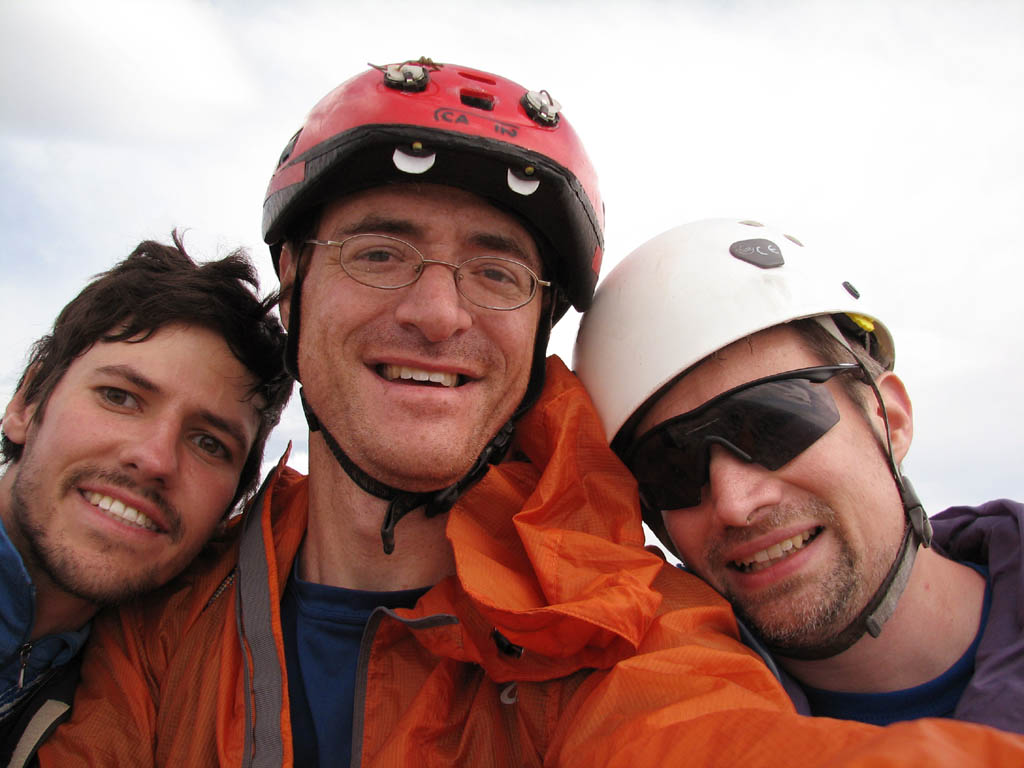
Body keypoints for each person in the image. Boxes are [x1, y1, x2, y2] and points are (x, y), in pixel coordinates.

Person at [41, 63, 1024, 767]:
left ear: (540, 331)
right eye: (379, 251)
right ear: (292, 284)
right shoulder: (168, 618)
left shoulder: (618, 626)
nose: (436, 311)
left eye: (496, 272)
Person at [575, 217, 1023, 732]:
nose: (734, 502)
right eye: (670, 467)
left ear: (890, 420)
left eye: (773, 424)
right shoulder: (657, 731)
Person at [0, 232, 291, 764]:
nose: (155, 459)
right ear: (26, 403)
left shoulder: (140, 689)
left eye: (209, 443)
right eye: (120, 397)